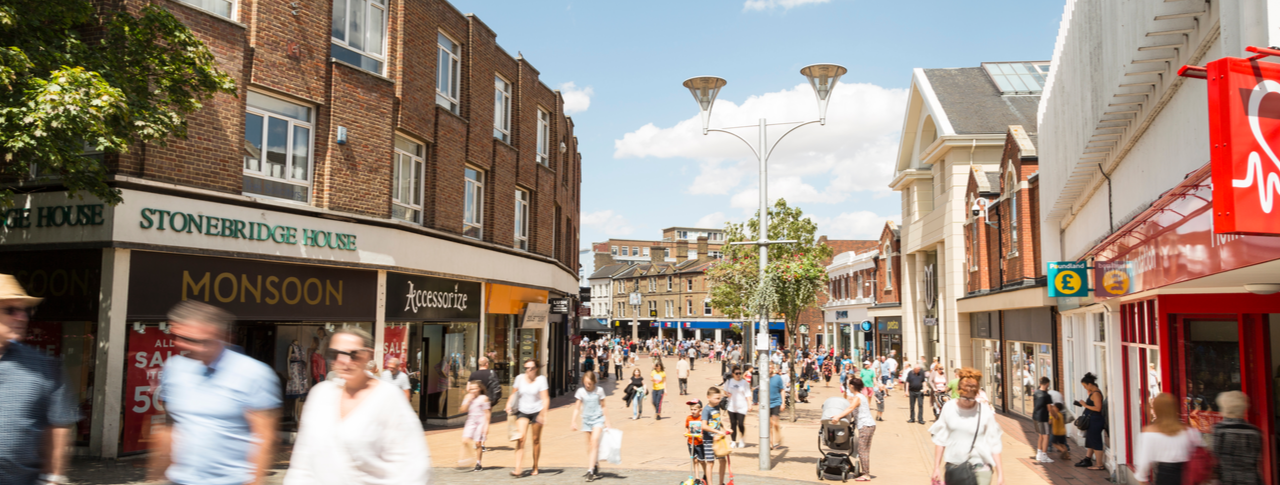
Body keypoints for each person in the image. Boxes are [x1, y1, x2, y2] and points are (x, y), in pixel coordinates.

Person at [150, 301, 281, 485]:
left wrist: (255, 481)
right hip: (180, 479)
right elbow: (170, 426)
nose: (180, 344)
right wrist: (155, 474)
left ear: (218, 336)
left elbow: (265, 438)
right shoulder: (174, 368)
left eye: (193, 340)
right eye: (178, 336)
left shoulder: (253, 374)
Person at [284, 327, 429, 484]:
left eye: (353, 355)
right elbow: (301, 464)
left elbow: (414, 468)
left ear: (368, 355)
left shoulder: (389, 398)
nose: (344, 361)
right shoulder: (320, 396)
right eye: (334, 354)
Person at [0, 275, 76, 485]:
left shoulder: (44, 365)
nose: (22, 317)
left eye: (25, 310)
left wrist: (54, 477)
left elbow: (58, 424)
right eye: (10, 310)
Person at [929, 367, 1005, 485]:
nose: (967, 401)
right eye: (964, 397)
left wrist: (1000, 474)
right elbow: (941, 439)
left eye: (971, 398)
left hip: (980, 468)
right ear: (959, 391)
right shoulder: (949, 408)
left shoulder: (984, 411)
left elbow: (994, 442)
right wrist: (936, 467)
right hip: (955, 467)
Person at [1134, 393, 1204, 485]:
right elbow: (1202, 450)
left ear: (1156, 410)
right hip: (1188, 476)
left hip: (1165, 476)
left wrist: (1142, 479)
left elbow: (1143, 463)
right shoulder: (1189, 431)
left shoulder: (1149, 433)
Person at [506, 358, 551, 477]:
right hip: (522, 411)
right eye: (526, 368)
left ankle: (535, 466)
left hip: (537, 411)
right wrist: (508, 404)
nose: (528, 371)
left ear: (536, 369)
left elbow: (545, 398)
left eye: (531, 368)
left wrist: (543, 414)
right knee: (521, 439)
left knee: (536, 440)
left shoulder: (541, 380)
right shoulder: (519, 378)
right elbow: (513, 394)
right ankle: (518, 469)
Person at [1211, 391, 1262, 485]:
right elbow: (1256, 461)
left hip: (1227, 480)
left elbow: (1215, 460)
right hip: (1251, 480)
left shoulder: (1219, 430)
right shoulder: (1254, 431)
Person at [571, 371, 610, 481]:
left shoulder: (599, 391)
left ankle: (590, 471)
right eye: (585, 383)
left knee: (594, 441)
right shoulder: (580, 392)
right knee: (590, 445)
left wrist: (607, 421)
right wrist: (573, 421)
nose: (587, 385)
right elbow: (577, 408)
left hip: (598, 419)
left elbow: (604, 407)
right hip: (586, 420)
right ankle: (595, 463)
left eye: (589, 383)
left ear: (594, 382)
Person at [1074, 372, 1106, 470]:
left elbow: (1098, 408)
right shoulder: (1093, 392)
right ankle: (1088, 459)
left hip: (1095, 421)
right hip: (1093, 420)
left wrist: (1085, 404)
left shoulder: (1096, 394)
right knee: (1092, 441)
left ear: (1089, 384)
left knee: (1096, 442)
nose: (1084, 388)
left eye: (1084, 386)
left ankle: (1099, 465)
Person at [702, 387, 732, 485]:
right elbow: (704, 426)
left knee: (723, 461)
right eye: (716, 398)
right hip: (708, 440)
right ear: (708, 397)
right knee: (710, 462)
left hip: (718, 439)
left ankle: (721, 483)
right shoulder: (706, 410)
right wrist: (717, 431)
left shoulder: (717, 407)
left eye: (719, 398)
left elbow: (718, 420)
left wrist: (725, 428)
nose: (718, 401)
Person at [459, 380, 491, 471]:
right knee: (465, 441)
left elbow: (487, 413)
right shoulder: (467, 397)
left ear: (479, 389)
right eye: (471, 389)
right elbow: (462, 410)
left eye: (475, 389)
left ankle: (478, 463)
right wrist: (468, 401)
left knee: (478, 443)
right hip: (471, 421)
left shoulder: (484, 398)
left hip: (481, 422)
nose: (473, 391)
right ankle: (470, 458)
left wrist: (486, 426)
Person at [723, 365, 751, 449]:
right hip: (731, 406)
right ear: (733, 374)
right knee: (733, 424)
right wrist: (727, 394)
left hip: (742, 407)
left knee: (741, 424)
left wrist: (750, 404)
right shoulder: (729, 381)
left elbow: (748, 394)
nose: (738, 375)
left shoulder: (744, 383)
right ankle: (733, 441)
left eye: (739, 373)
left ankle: (742, 438)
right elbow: (725, 390)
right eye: (736, 373)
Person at [685, 399, 711, 483]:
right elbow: (687, 427)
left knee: (701, 460)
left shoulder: (701, 419)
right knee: (694, 460)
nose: (693, 411)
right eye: (691, 409)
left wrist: (703, 435)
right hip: (691, 441)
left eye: (695, 409)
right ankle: (697, 477)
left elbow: (705, 429)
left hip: (699, 442)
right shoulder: (689, 418)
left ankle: (706, 474)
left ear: (700, 410)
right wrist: (686, 433)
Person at [1032, 377, 1054, 463]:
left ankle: (1039, 454)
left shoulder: (1036, 392)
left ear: (1040, 383)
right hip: (1043, 418)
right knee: (1046, 436)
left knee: (1041, 435)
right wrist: (1051, 417)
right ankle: (1044, 456)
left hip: (1035, 416)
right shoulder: (1047, 396)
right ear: (1047, 384)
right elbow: (1049, 409)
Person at [768, 363, 786, 450]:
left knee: (775, 423)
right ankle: (770, 443)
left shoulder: (778, 378)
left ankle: (778, 438)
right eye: (767, 367)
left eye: (770, 367)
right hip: (767, 404)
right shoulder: (764, 378)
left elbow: (782, 390)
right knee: (768, 425)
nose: (769, 369)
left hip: (776, 403)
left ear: (773, 368)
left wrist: (783, 403)